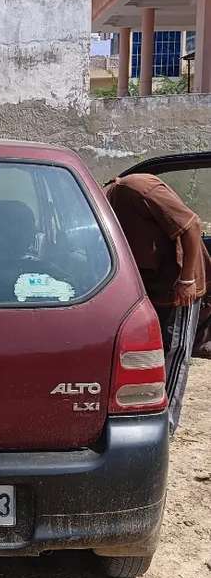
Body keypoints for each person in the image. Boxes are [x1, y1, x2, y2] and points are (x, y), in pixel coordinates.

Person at [105, 173, 211, 435]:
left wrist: (187, 279)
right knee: (153, 357)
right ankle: (147, 415)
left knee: (175, 355)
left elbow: (191, 225)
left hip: (178, 287)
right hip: (150, 287)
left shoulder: (138, 190)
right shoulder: (109, 207)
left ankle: (165, 428)